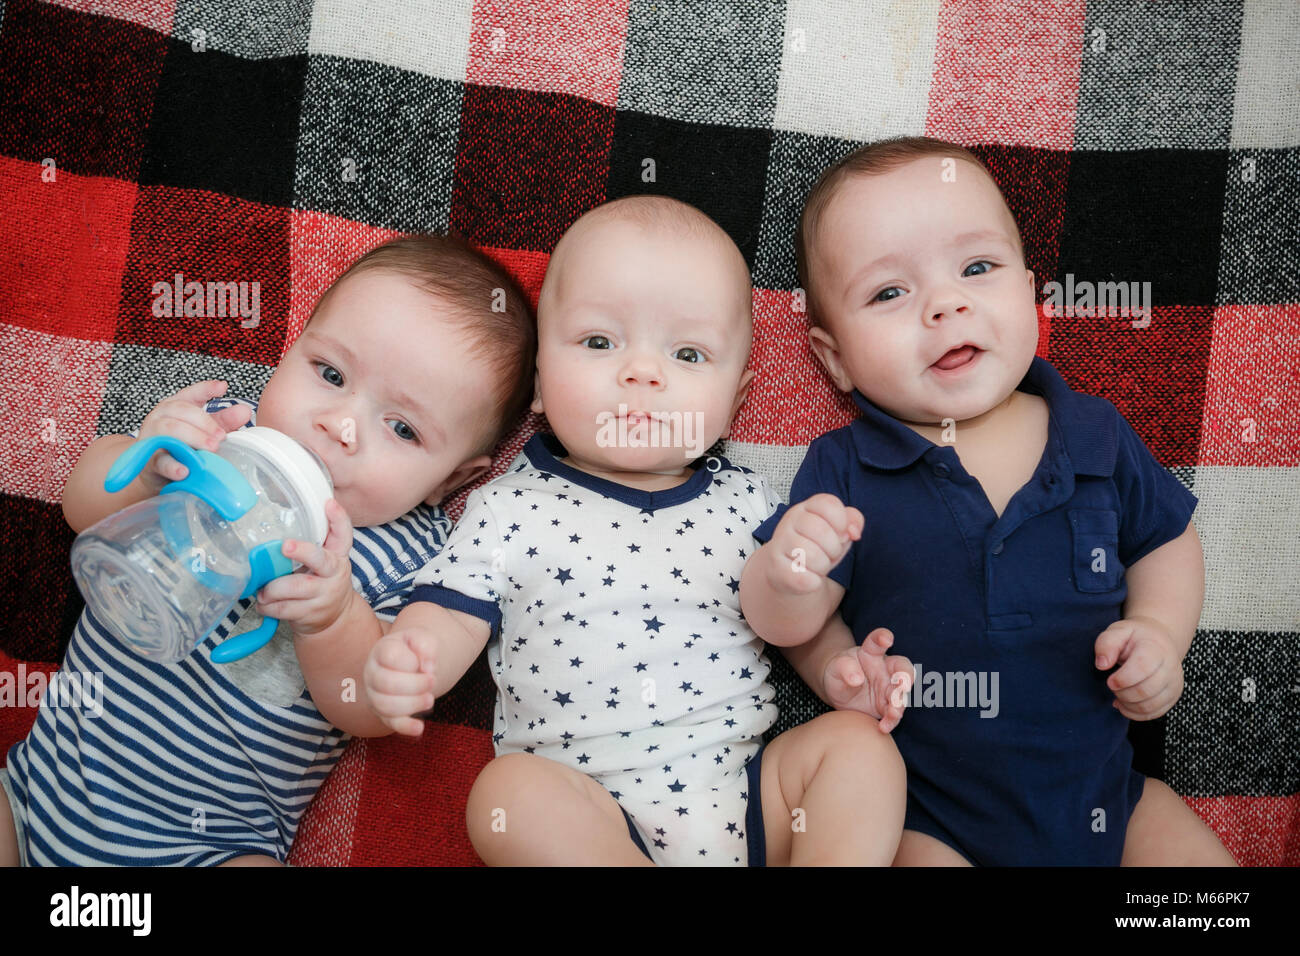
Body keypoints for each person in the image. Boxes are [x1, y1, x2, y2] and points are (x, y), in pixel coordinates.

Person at [363, 196, 908, 866]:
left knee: (861, 751)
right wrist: (412, 655)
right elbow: (449, 618)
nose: (642, 373)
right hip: (590, 812)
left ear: (736, 401)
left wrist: (840, 671)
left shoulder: (745, 502)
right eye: (599, 342)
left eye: (686, 353)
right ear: (538, 382)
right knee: (507, 799)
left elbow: (791, 624)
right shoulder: (507, 509)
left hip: (750, 802)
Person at [740, 136, 1237, 866]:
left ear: (1030, 291)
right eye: (889, 292)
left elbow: (1165, 540)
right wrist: (818, 632)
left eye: (978, 268)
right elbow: (793, 624)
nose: (947, 304)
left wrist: (1161, 632)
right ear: (835, 358)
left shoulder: (1095, 433)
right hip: (934, 821)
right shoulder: (845, 469)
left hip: (1111, 803)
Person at [0, 234, 535, 866]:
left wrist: (333, 618)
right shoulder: (222, 438)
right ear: (290, 349)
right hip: (37, 789)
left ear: (452, 480)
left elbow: (364, 708)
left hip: (210, 844)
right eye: (330, 374)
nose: (340, 426)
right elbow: (81, 505)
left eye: (402, 428)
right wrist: (147, 465)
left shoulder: (409, 560)